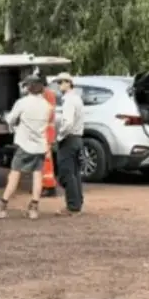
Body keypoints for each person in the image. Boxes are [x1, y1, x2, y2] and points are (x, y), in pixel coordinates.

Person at [0, 73, 53, 220]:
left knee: (14, 174)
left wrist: (7, 119)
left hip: (24, 145)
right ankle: (33, 208)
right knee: (37, 175)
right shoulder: (47, 105)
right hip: (40, 145)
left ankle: (1, 206)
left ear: (29, 87)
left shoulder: (23, 102)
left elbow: (11, 119)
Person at [52, 72, 85, 215]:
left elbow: (68, 122)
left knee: (66, 173)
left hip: (69, 138)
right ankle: (77, 202)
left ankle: (72, 206)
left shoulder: (69, 100)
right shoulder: (77, 98)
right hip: (77, 138)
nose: (59, 85)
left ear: (68, 83)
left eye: (61, 82)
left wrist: (59, 136)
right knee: (75, 173)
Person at [40, 83, 59, 197]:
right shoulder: (47, 94)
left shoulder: (47, 95)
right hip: (45, 131)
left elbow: (48, 114)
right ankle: (45, 184)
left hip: (46, 131)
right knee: (44, 160)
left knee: (46, 159)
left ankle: (49, 186)